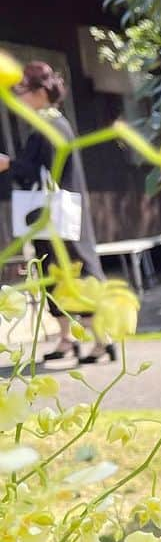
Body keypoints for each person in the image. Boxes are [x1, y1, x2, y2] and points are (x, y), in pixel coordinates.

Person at [0, 60, 116, 363]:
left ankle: (102, 340)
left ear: (39, 92)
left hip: (59, 216)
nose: (19, 96)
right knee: (54, 273)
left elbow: (41, 170)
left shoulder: (49, 125)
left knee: (74, 274)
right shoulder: (52, 122)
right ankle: (67, 340)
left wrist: (9, 165)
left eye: (22, 89)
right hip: (56, 215)